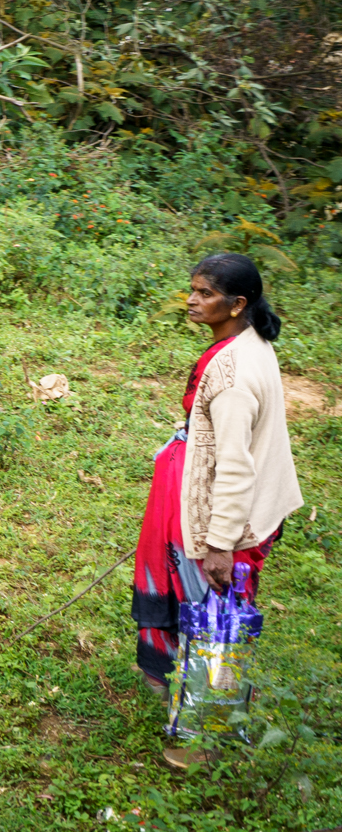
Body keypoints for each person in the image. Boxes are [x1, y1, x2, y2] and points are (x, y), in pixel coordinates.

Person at [133, 253, 303, 723]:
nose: (191, 300)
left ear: (237, 304)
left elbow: (235, 466)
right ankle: (187, 689)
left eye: (205, 293)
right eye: (193, 289)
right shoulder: (249, 343)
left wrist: (220, 543)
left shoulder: (231, 377)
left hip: (225, 512)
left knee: (212, 608)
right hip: (203, 491)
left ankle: (207, 715)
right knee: (206, 603)